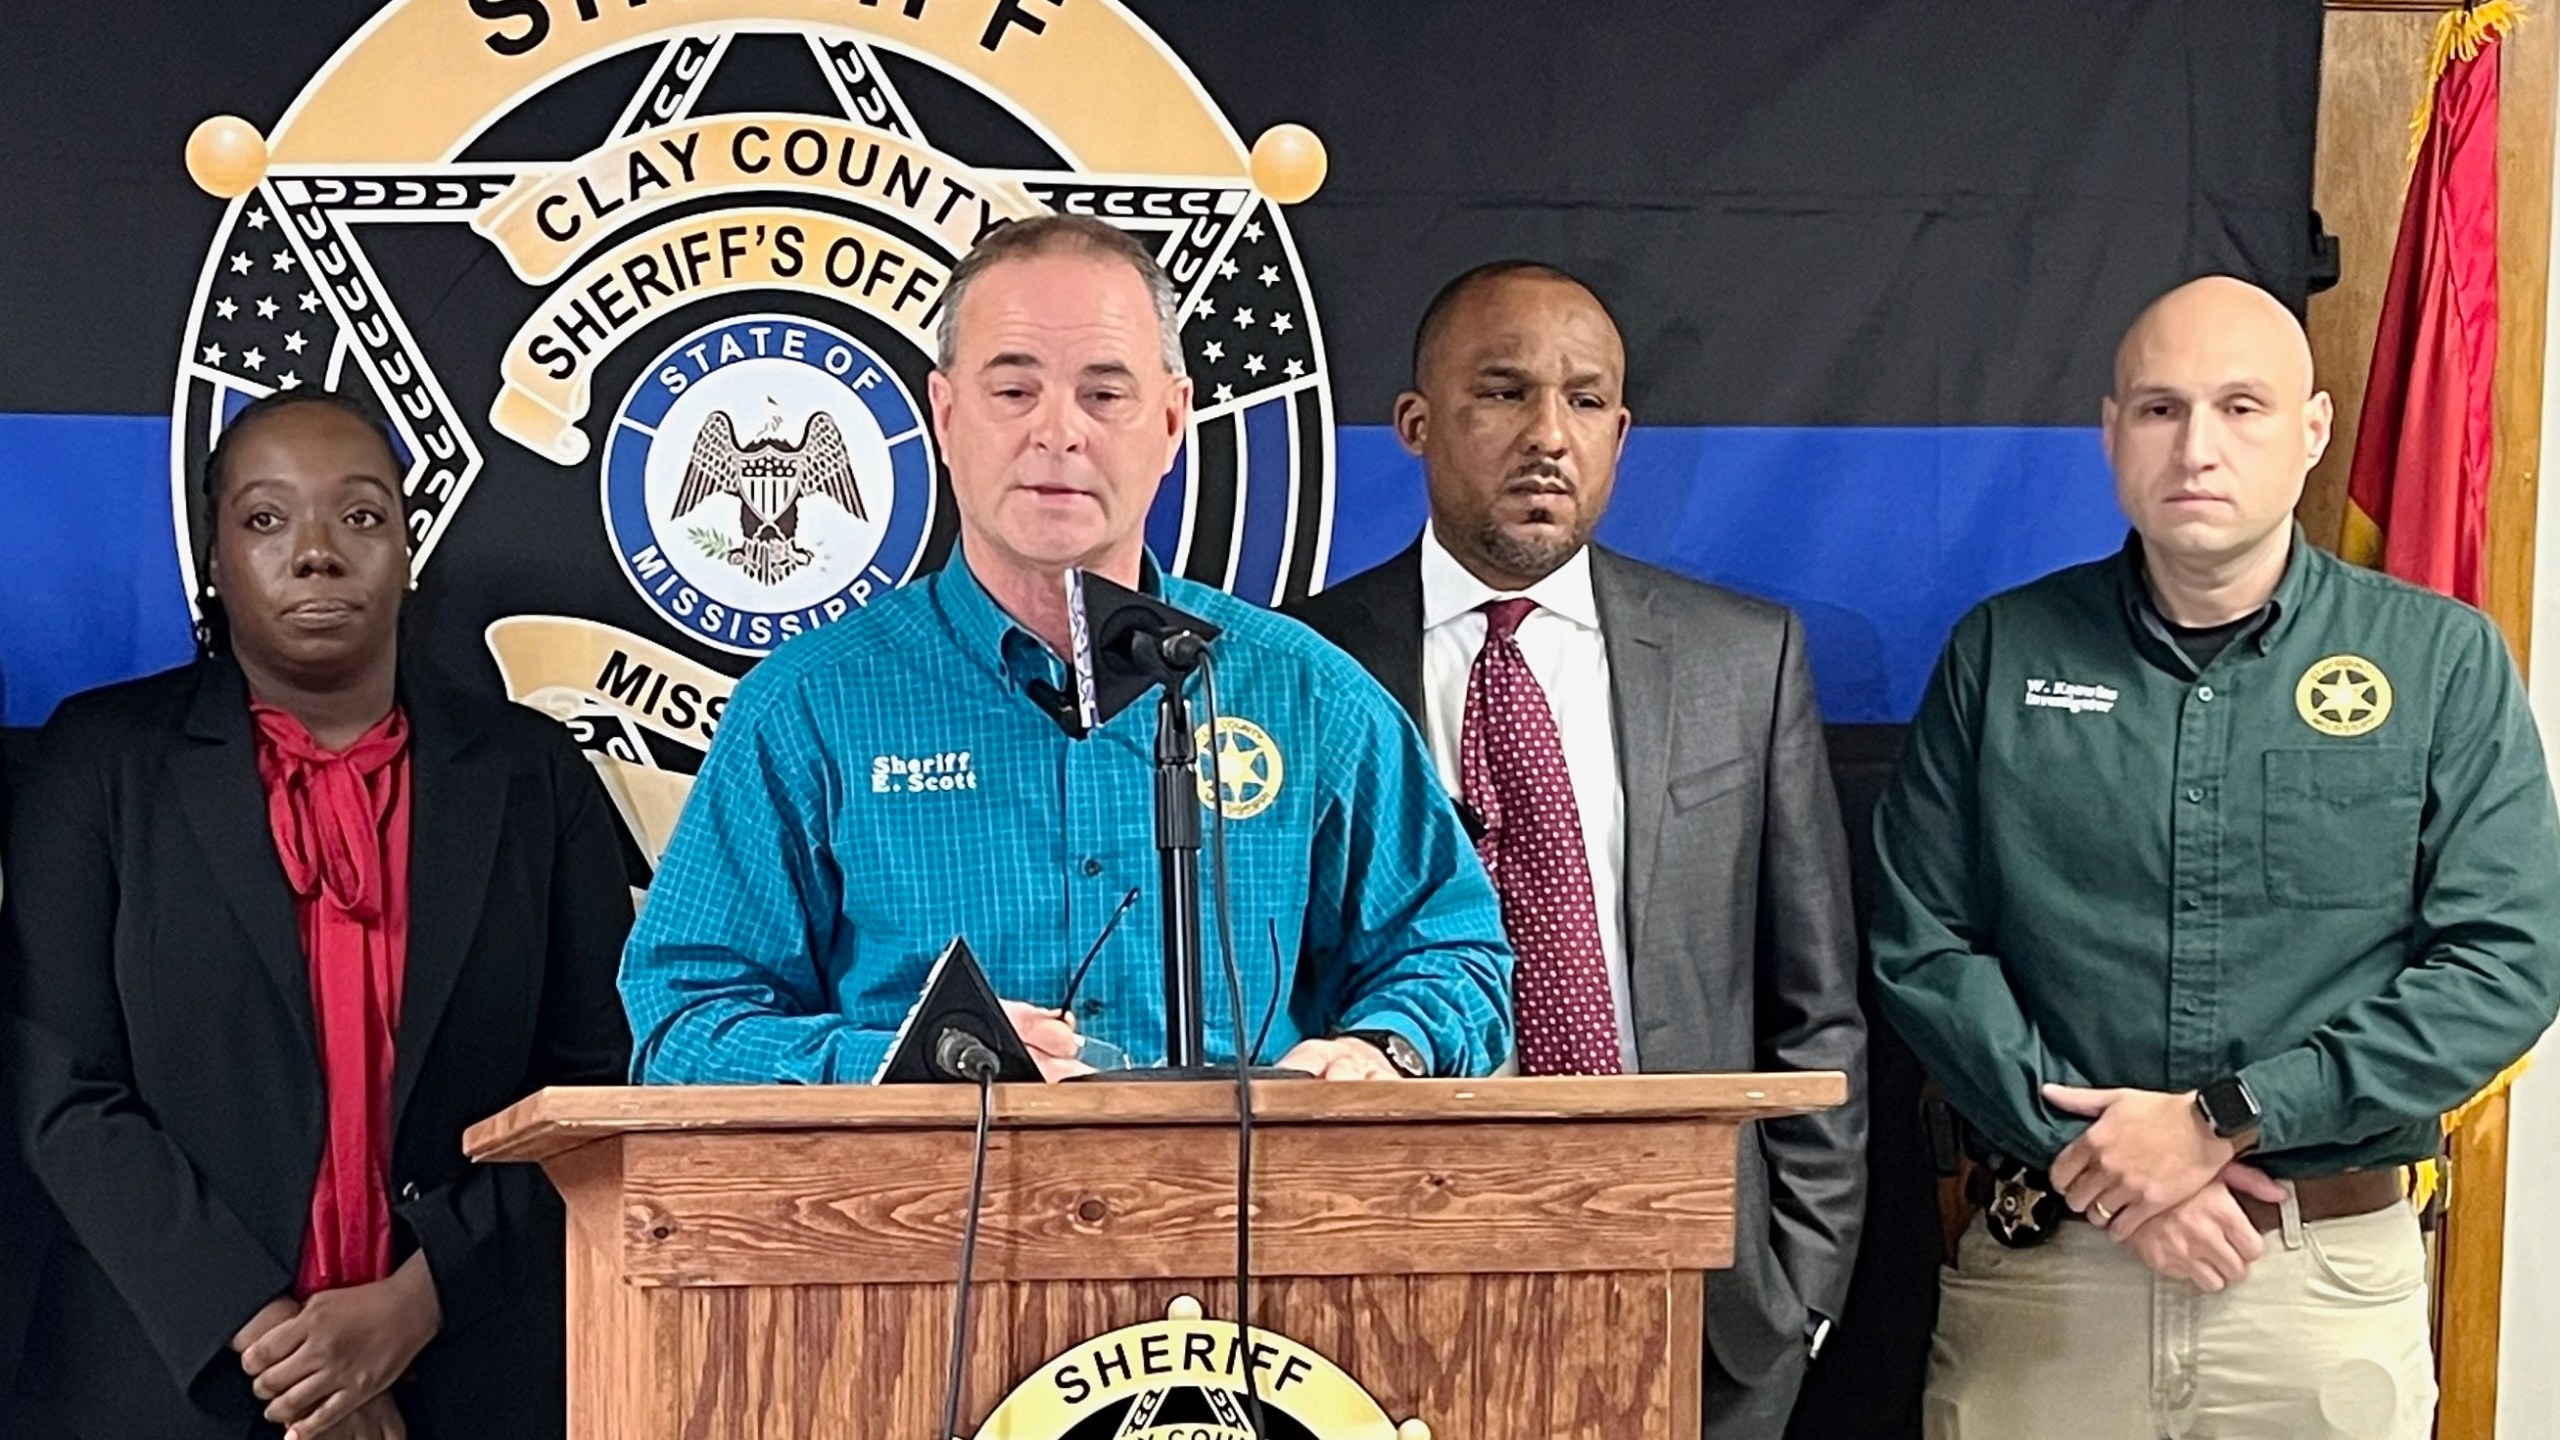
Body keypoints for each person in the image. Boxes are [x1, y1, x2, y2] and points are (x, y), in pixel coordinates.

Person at [1870, 275, 2560, 1439]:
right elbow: (1919, 944)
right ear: (2109, 433)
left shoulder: (2441, 662)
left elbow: (2503, 967)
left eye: (2241, 407)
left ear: (2312, 430)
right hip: (2050, 1279)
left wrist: (2220, 1119)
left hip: (2316, 1281)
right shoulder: (2002, 650)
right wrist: (2100, 1166)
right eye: (2159, 409)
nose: (2197, 446)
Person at [620, 214, 1512, 1084]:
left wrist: (1381, 1049)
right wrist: (909, 1061)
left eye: (1104, 392)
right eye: (1014, 391)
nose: (1058, 431)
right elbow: (685, 1021)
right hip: (920, 1225)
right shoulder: (810, 709)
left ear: (1171, 423)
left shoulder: (1305, 694)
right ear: (943, 411)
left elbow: (1453, 954)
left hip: (1243, 1223)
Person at [1287, 261, 1868, 1437]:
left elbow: (1817, 1009)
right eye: (1501, 393)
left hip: (1695, 1300)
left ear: (1621, 431)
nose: (1548, 435)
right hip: (1388, 1273)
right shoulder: (1300, 667)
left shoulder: (1739, 662)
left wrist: (1797, 1297)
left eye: (1586, 400)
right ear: (1415, 423)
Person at [1, 389, 633, 1440]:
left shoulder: (531, 777)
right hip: (168, 1378)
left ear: (408, 547)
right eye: (264, 519)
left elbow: (596, 1086)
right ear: (211, 556)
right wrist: (277, 1348)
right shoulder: (97, 764)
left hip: (473, 1375)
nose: (316, 553)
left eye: (361, 515)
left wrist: (415, 1303)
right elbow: (57, 1086)